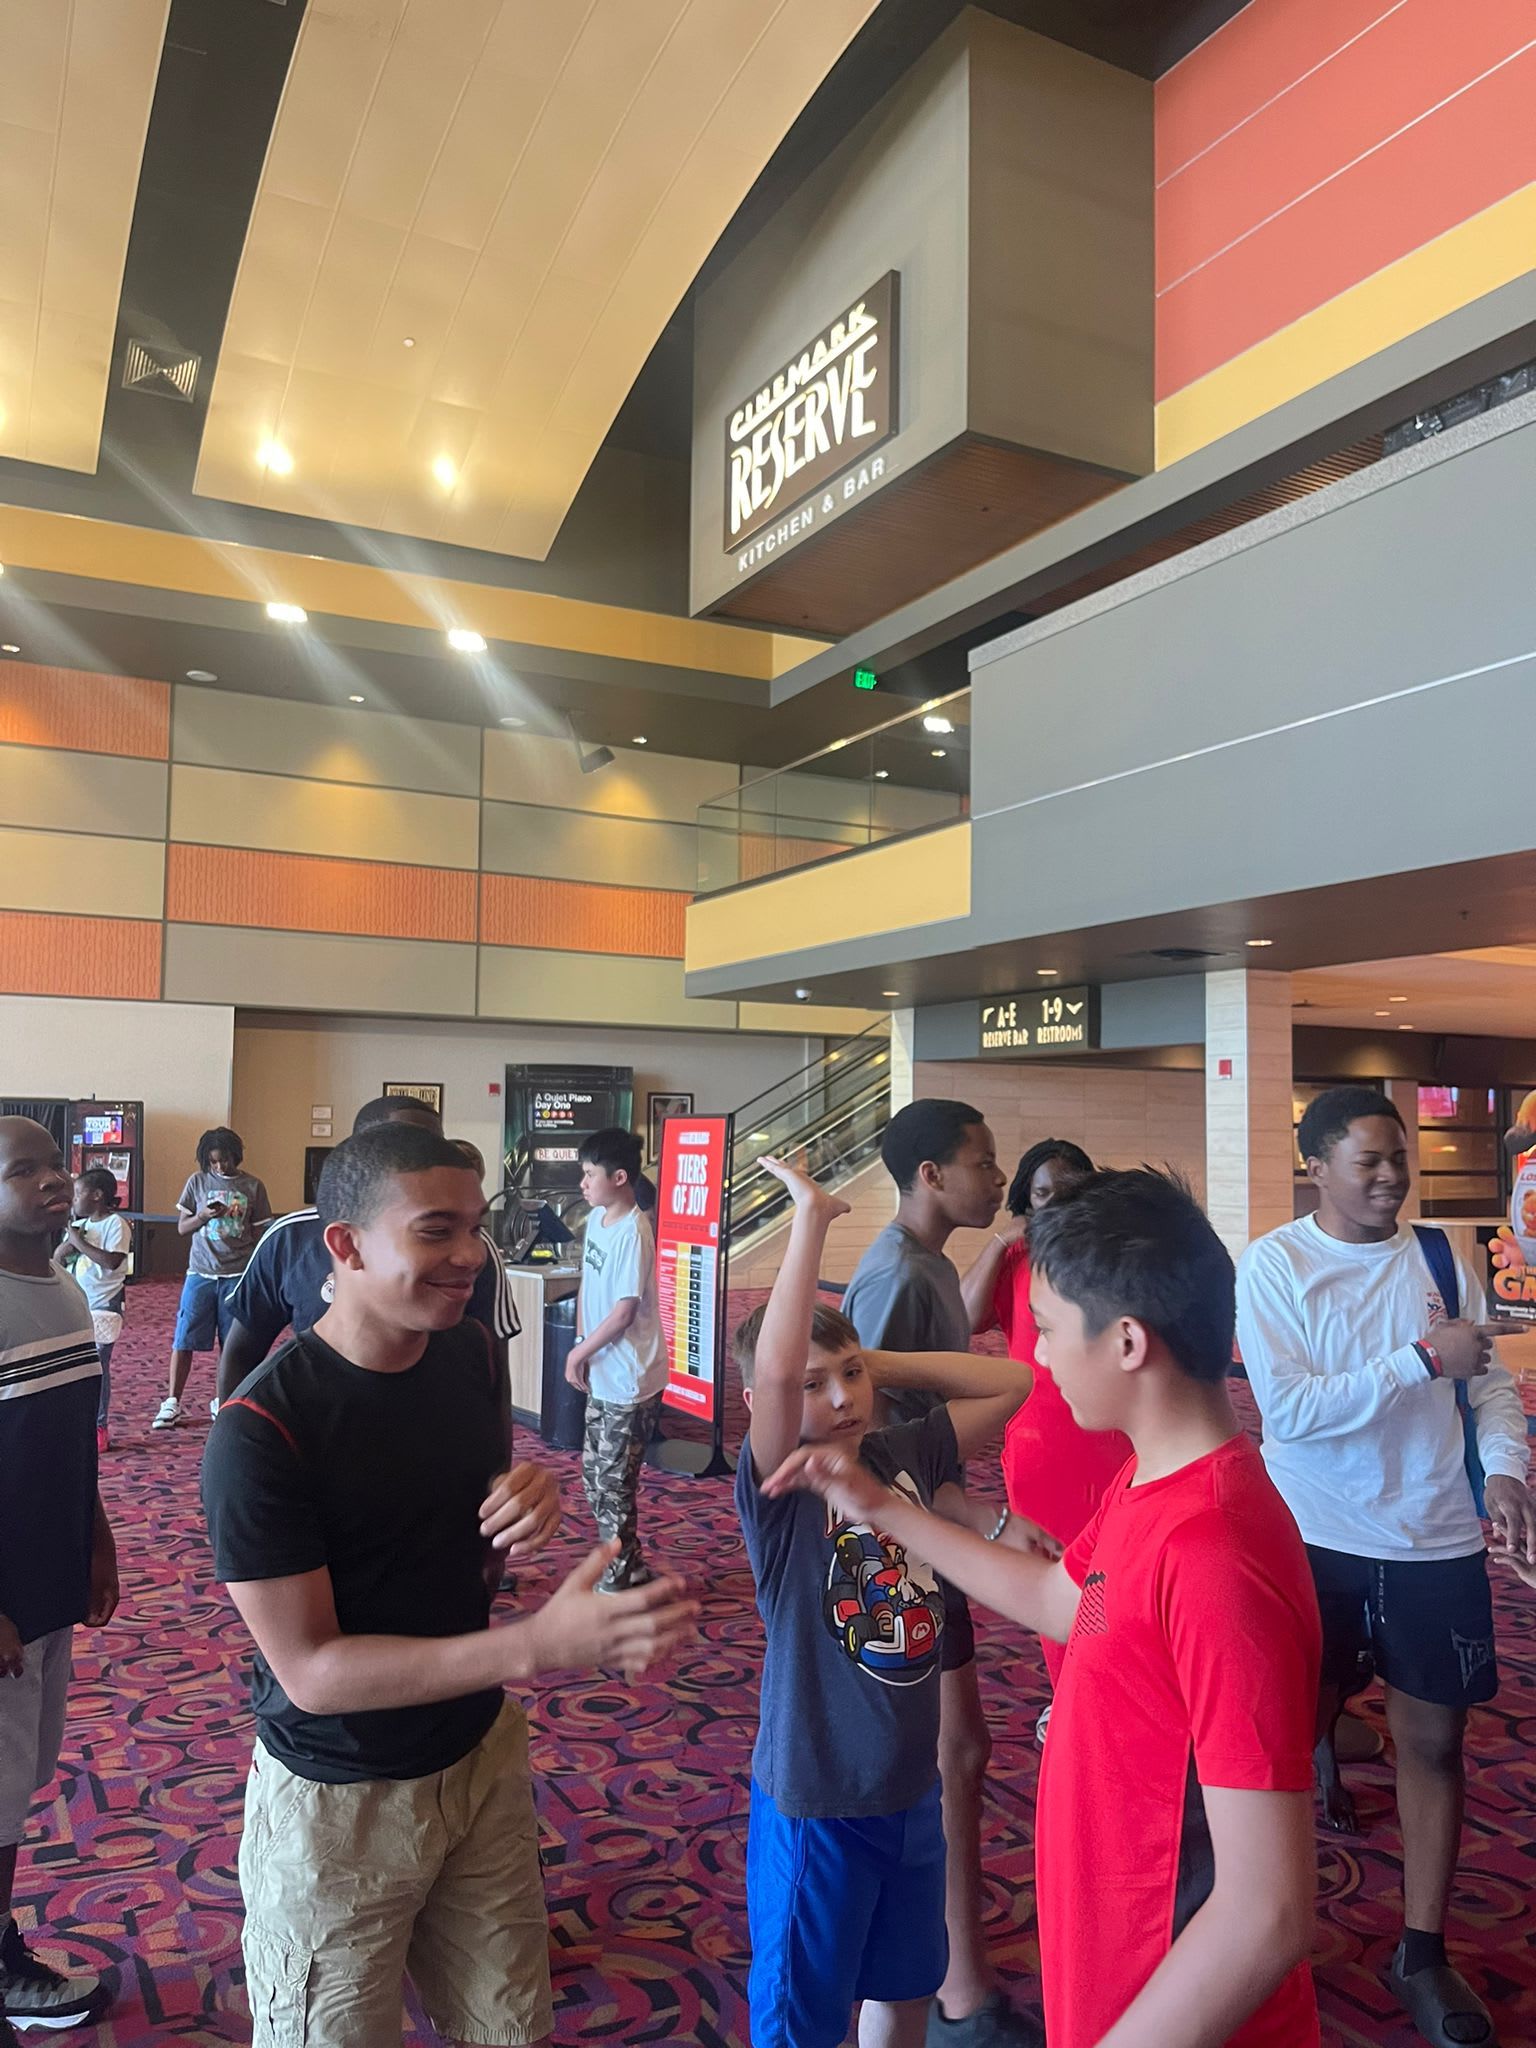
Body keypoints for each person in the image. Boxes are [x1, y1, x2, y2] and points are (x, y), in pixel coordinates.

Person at [768, 1166, 1322, 2048]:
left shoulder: (1214, 1552)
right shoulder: (1150, 1481)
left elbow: (1267, 1910)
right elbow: (1061, 1600)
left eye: (1050, 1330)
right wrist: (884, 1508)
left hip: (1170, 1996)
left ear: (1128, 1342)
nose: (1042, 1358)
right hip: (1112, 1963)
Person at [201, 1121, 697, 2048]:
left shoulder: (466, 1352)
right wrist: (535, 1647)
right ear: (346, 1245)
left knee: (509, 2029)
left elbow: (472, 1545)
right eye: (437, 1230)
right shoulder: (263, 1429)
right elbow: (311, 1671)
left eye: (476, 1226)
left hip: (477, 1758)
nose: (471, 1254)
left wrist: (525, 1498)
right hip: (339, 1800)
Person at [1236, 1085, 1534, 2048]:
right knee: (1285, 1732)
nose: (1390, 1176)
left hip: (1433, 1536)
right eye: (1367, 1161)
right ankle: (1267, 1933)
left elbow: (1489, 1384)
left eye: (1397, 1157)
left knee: (1435, 1745)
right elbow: (1289, 1412)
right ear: (1316, 1166)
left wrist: (1506, 1471)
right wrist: (1418, 1360)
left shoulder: (1440, 1256)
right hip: (1311, 1534)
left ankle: (1422, 1950)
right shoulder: (1276, 1264)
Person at [734, 1156, 1033, 2048]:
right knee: (804, 2020)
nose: (841, 1397)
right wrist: (811, 1222)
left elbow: (1012, 1383)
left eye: (852, 1375)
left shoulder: (902, 1453)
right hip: (818, 1802)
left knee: (903, 1988)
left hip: (909, 1791)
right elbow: (777, 1379)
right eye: (815, 1384)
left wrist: (877, 1357)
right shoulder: (783, 1487)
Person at [842, 1099, 1034, 2048]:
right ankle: (952, 1987)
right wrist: (963, 1519)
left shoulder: (923, 1269)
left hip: (924, 1528)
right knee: (936, 1755)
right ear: (930, 1175)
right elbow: (864, 1430)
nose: (995, 1179)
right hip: (903, 1546)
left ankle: (957, 1979)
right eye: (982, 1162)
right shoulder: (896, 1275)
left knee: (957, 1748)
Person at [0, 1117, 120, 2042]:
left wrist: (98, 1541)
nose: (50, 1181)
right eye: (21, 1171)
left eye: (54, 1166)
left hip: (46, 1585)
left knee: (15, 1789)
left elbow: (70, 1442)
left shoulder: (68, 1291)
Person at [960, 1139, 1129, 1723]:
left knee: (1118, 1569)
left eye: (1068, 1191)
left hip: (1111, 1436)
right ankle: (1071, 1697)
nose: (1055, 1203)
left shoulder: (1108, 1252)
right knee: (1055, 1571)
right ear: (1025, 1200)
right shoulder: (1015, 1257)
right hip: (1041, 1443)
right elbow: (967, 1317)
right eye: (1042, 1193)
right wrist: (1002, 1242)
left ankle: (1117, 1684)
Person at [215, 1096, 518, 1419]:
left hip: (436, 1424)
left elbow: (493, 1368)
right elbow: (242, 1352)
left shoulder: (475, 1247)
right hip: (321, 1422)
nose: (424, 1155)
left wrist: (495, 1448)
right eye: (402, 1143)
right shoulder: (290, 1237)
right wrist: (231, 1427)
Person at [565, 1128, 666, 1593]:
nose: (583, 1183)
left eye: (590, 1174)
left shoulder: (634, 1232)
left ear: (620, 1177)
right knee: (595, 1478)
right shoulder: (597, 1220)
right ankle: (630, 1564)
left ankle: (620, 1577)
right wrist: (581, 1343)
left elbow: (624, 1313)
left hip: (630, 1379)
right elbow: (589, 1285)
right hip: (602, 1369)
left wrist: (578, 1353)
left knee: (614, 1485)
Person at [155, 1127, 271, 1431]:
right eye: (213, 1161)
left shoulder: (253, 1185)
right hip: (201, 1272)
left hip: (237, 1274)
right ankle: (172, 1401)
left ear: (236, 1156)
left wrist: (256, 1269)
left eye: (225, 1160)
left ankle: (224, 1399)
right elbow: (183, 1228)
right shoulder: (198, 1181)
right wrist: (203, 1216)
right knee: (184, 1337)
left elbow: (260, 1233)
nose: (220, 1166)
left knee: (232, 1343)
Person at [57, 1167, 132, 1454]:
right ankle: (76, 1421)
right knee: (75, 1365)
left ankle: (99, 1424)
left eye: (78, 1193)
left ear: (98, 1195)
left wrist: (78, 1242)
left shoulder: (116, 1224)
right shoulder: (81, 1225)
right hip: (78, 1302)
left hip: (105, 1303)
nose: (74, 1199)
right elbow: (59, 1260)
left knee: (97, 1365)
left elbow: (112, 1262)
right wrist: (66, 1248)